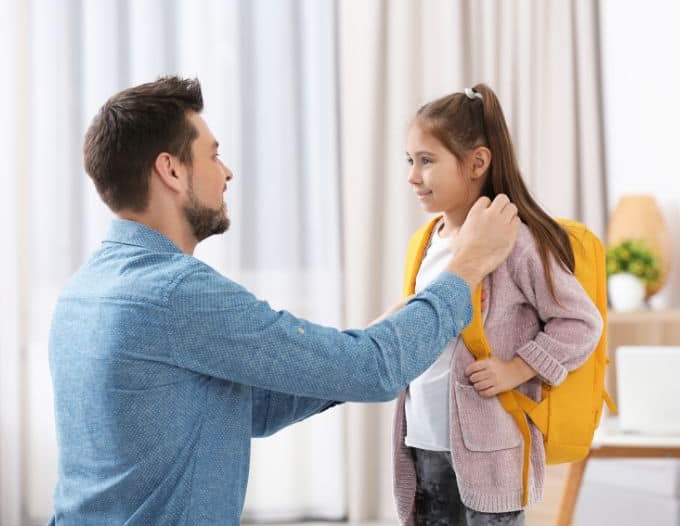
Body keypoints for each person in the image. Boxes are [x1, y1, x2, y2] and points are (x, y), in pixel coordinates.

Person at [47, 77, 520, 525]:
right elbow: (372, 372)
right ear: (171, 170)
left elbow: (250, 410)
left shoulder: (84, 291)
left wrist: (380, 333)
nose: (227, 172)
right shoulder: (177, 294)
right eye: (213, 155)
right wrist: (465, 269)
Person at [393, 84, 603, 525]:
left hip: (491, 448)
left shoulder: (515, 242)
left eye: (427, 160)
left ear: (477, 163)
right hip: (424, 439)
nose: (413, 175)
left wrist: (518, 368)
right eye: (410, 160)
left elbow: (581, 322)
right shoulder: (426, 242)